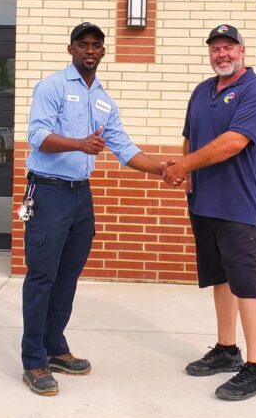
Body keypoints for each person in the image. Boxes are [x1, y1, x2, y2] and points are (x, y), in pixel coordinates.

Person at [20, 21, 167, 396]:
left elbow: (126, 150)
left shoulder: (103, 100)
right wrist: (78, 144)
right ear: (71, 49)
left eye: (96, 45)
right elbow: (37, 137)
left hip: (80, 196)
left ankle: (54, 347)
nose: (90, 50)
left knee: (67, 276)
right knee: (42, 277)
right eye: (83, 44)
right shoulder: (52, 86)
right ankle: (33, 361)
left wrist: (166, 170)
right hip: (48, 192)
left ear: (103, 53)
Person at [164, 24, 256, 401]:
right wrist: (188, 169)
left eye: (229, 47)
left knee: (247, 284)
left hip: (238, 205)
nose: (222, 54)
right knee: (221, 278)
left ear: (243, 51)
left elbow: (233, 142)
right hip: (204, 203)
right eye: (216, 49)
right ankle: (227, 349)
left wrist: (183, 167)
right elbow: (189, 135)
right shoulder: (201, 92)